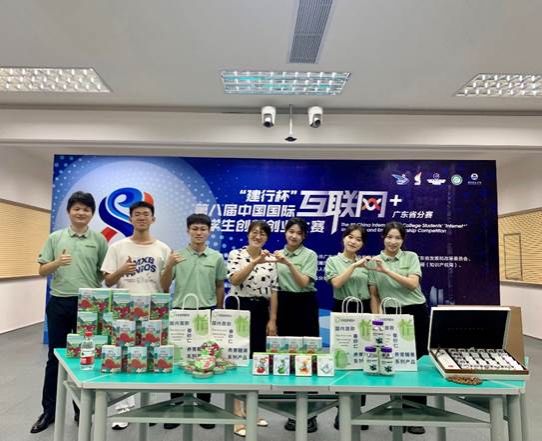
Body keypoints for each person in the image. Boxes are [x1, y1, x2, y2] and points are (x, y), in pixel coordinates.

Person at [31, 191, 108, 434]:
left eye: (86, 209)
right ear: (69, 211)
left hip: (90, 305)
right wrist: (57, 263)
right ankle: (49, 411)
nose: (81, 213)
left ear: (92, 213)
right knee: (55, 358)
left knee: (88, 358)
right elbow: (42, 270)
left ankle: (82, 410)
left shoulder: (99, 240)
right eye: (77, 208)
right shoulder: (56, 237)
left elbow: (105, 273)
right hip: (60, 303)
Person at [101, 201, 170, 430]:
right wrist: (121, 270)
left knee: (151, 360)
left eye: (146, 214)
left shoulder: (163, 249)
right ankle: (124, 409)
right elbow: (108, 281)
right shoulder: (117, 247)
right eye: (137, 214)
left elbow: (166, 285)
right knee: (123, 360)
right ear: (130, 219)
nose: (141, 217)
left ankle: (150, 407)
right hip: (124, 312)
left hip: (154, 312)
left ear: (153, 219)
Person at [160, 213, 227, 430]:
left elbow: (219, 286)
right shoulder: (177, 256)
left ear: (209, 231)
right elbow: (164, 286)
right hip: (181, 312)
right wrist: (169, 264)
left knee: (206, 359)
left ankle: (205, 408)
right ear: (188, 230)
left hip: (207, 313)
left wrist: (218, 312)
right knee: (179, 361)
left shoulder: (216, 257)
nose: (199, 233)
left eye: (203, 229)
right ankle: (176, 408)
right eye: (195, 229)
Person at [368, 221, 430, 436]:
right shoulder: (373, 262)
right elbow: (374, 295)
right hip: (390, 313)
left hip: (415, 312)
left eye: (397, 238)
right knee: (392, 361)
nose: (393, 241)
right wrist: (377, 319)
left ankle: (416, 414)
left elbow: (412, 284)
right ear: (383, 238)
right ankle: (397, 412)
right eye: (389, 237)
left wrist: (385, 270)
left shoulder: (410, 257)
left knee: (416, 362)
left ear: (403, 240)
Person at [227, 220, 278, 437]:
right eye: (254, 232)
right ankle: (237, 413)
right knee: (237, 359)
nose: (258, 236)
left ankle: (251, 410)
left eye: (262, 234)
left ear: (267, 237)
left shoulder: (271, 259)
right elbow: (235, 279)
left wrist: (272, 319)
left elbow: (274, 291)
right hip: (239, 307)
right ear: (248, 234)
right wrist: (255, 262)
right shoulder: (235, 254)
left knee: (257, 360)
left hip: (260, 310)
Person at [325, 223, 378, 431]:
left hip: (363, 309)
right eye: (350, 237)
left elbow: (373, 293)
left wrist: (376, 318)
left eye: (358, 239)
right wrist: (355, 266)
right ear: (344, 238)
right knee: (343, 359)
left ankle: (358, 409)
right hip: (343, 310)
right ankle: (342, 409)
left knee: (363, 360)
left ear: (362, 243)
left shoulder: (367, 264)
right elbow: (336, 283)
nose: (353, 241)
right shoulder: (333, 261)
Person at [273, 217, 319, 433]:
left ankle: (311, 414)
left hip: (305, 304)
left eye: (299, 233)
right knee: (288, 358)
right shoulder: (276, 255)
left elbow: (303, 282)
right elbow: (273, 287)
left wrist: (288, 263)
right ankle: (292, 413)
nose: (294, 236)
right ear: (285, 232)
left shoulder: (310, 255)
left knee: (309, 358)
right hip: (284, 304)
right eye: (291, 231)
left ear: (304, 236)